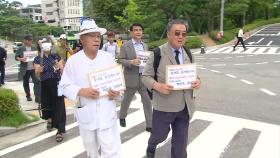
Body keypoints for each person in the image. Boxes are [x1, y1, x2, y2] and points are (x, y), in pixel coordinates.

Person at [59, 19, 121, 157]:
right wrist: (82, 91)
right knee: (91, 149)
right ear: (81, 39)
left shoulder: (107, 58)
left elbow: (118, 84)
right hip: (87, 112)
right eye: (91, 36)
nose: (96, 39)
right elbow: (64, 85)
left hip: (106, 110)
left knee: (111, 150)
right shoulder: (73, 61)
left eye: (98, 36)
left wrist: (116, 92)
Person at [142, 19, 201, 158]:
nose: (181, 37)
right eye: (177, 33)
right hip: (164, 106)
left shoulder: (188, 53)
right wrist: (158, 86)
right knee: (159, 135)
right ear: (169, 34)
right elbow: (145, 77)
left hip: (185, 106)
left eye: (184, 34)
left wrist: (198, 81)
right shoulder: (157, 53)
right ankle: (151, 145)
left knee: (180, 144)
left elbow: (195, 75)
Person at [118, 23, 152, 132]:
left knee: (147, 101)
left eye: (140, 30)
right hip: (131, 77)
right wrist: (131, 62)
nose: (138, 32)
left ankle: (149, 125)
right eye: (136, 30)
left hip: (143, 78)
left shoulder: (145, 45)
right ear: (132, 32)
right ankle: (122, 116)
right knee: (126, 100)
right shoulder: (125, 45)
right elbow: (120, 60)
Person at [34, 42, 66, 142]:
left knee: (59, 106)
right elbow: (37, 75)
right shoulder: (38, 58)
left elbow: (62, 71)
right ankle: (50, 119)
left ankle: (60, 130)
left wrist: (59, 66)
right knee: (47, 105)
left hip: (56, 84)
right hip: (45, 84)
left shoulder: (55, 56)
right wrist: (39, 70)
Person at [15, 35, 40, 102]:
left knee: (37, 82)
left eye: (31, 40)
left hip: (33, 68)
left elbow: (38, 55)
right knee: (26, 83)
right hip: (25, 69)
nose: (30, 41)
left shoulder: (34, 47)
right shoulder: (21, 48)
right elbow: (16, 57)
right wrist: (21, 59)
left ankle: (37, 97)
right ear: (25, 40)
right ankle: (28, 95)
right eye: (29, 40)